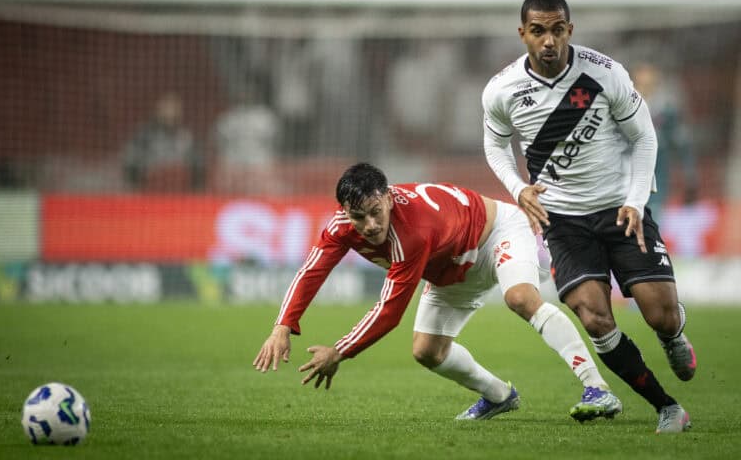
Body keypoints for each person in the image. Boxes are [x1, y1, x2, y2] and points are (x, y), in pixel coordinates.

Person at [254, 162, 622, 422]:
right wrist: (282, 325)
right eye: (357, 216)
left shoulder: (411, 231)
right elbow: (312, 270)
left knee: (520, 298)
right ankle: (498, 397)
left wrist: (340, 351)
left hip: (497, 234)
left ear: (388, 198)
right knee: (427, 352)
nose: (368, 225)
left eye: (374, 212)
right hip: (451, 267)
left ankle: (597, 388)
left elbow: (389, 311)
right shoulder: (340, 227)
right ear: (344, 211)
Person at [481, 0, 696, 434]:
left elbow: (645, 138)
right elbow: (495, 145)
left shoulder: (604, 73)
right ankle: (667, 407)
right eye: (538, 31)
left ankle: (673, 333)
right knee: (595, 318)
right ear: (522, 33)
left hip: (621, 211)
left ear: (569, 30)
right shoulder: (501, 91)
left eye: (557, 30)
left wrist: (636, 200)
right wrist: (519, 188)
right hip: (562, 221)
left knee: (661, 314)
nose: (548, 41)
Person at [631, 62, 698, 222]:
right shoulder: (625, 106)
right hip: (630, 166)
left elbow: (681, 140)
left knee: (654, 212)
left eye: (650, 84)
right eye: (642, 83)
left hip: (657, 167)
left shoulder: (667, 110)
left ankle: (651, 242)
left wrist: (690, 174)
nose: (646, 87)